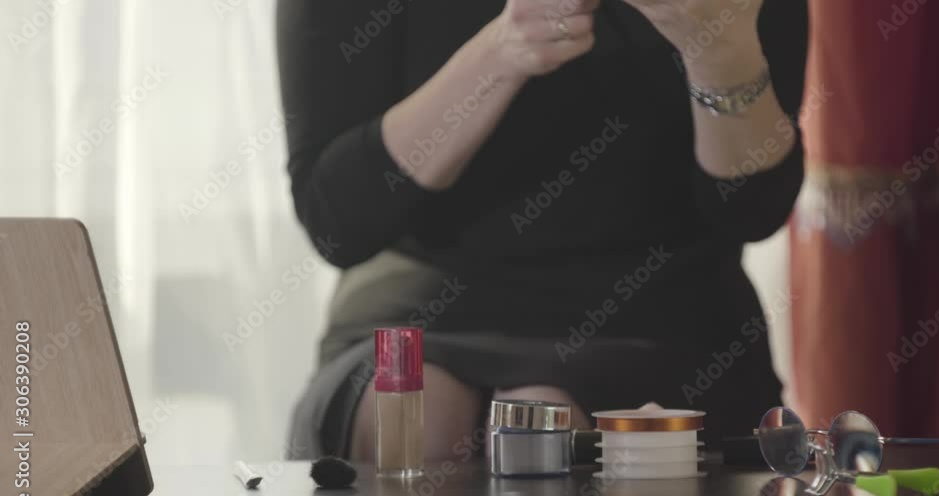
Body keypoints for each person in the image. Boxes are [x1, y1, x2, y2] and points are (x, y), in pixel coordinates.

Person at [277, 0, 808, 461]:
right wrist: (505, 50)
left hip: (662, 316)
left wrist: (718, 51)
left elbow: (752, 210)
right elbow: (337, 224)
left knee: (547, 427)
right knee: (416, 420)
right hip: (419, 309)